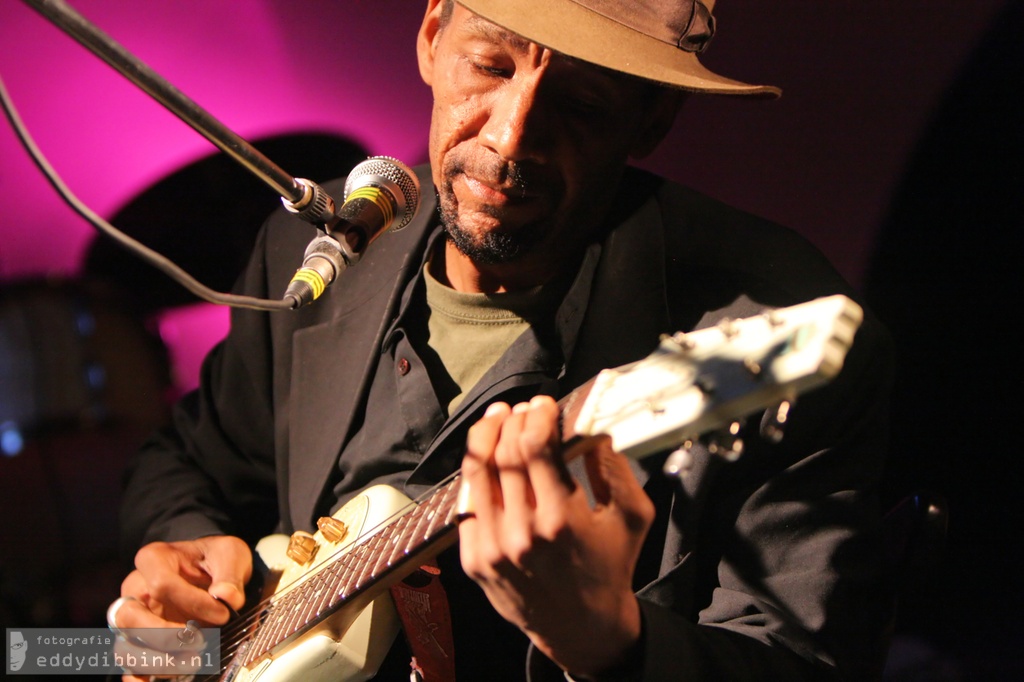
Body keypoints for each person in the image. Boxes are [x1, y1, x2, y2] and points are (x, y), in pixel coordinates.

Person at [110, 1, 895, 680]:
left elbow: (805, 665)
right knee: (41, 655)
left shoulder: (771, 313)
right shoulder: (313, 253)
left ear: (651, 118)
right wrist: (187, 557)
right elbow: (184, 460)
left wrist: (610, 645)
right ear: (429, 36)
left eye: (582, 104)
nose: (512, 137)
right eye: (488, 64)